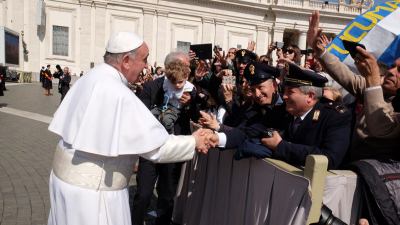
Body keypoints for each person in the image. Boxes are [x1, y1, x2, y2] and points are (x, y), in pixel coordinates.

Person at [47, 32, 216, 225]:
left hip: (65, 184)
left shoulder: (91, 77)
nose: (146, 65)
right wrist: (194, 141)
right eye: (144, 59)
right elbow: (157, 147)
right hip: (95, 197)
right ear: (126, 60)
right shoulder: (118, 92)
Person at [308, 10, 400, 161]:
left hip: (376, 176)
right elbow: (344, 74)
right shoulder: (372, 87)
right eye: (392, 66)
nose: (391, 72)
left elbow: (380, 126)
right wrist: (320, 51)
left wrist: (373, 78)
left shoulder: (378, 89)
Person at [132, 51, 196, 225]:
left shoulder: (191, 90)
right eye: (182, 65)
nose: (185, 69)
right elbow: (140, 116)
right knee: (144, 194)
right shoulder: (151, 87)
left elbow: (196, 116)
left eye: (187, 66)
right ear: (169, 68)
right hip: (151, 148)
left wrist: (189, 105)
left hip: (174, 149)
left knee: (167, 195)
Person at [261, 63, 352, 169]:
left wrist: (281, 146)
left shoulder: (334, 116)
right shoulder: (282, 111)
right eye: (284, 90)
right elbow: (258, 130)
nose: (284, 96)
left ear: (310, 96)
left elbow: (330, 158)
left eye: (290, 92)